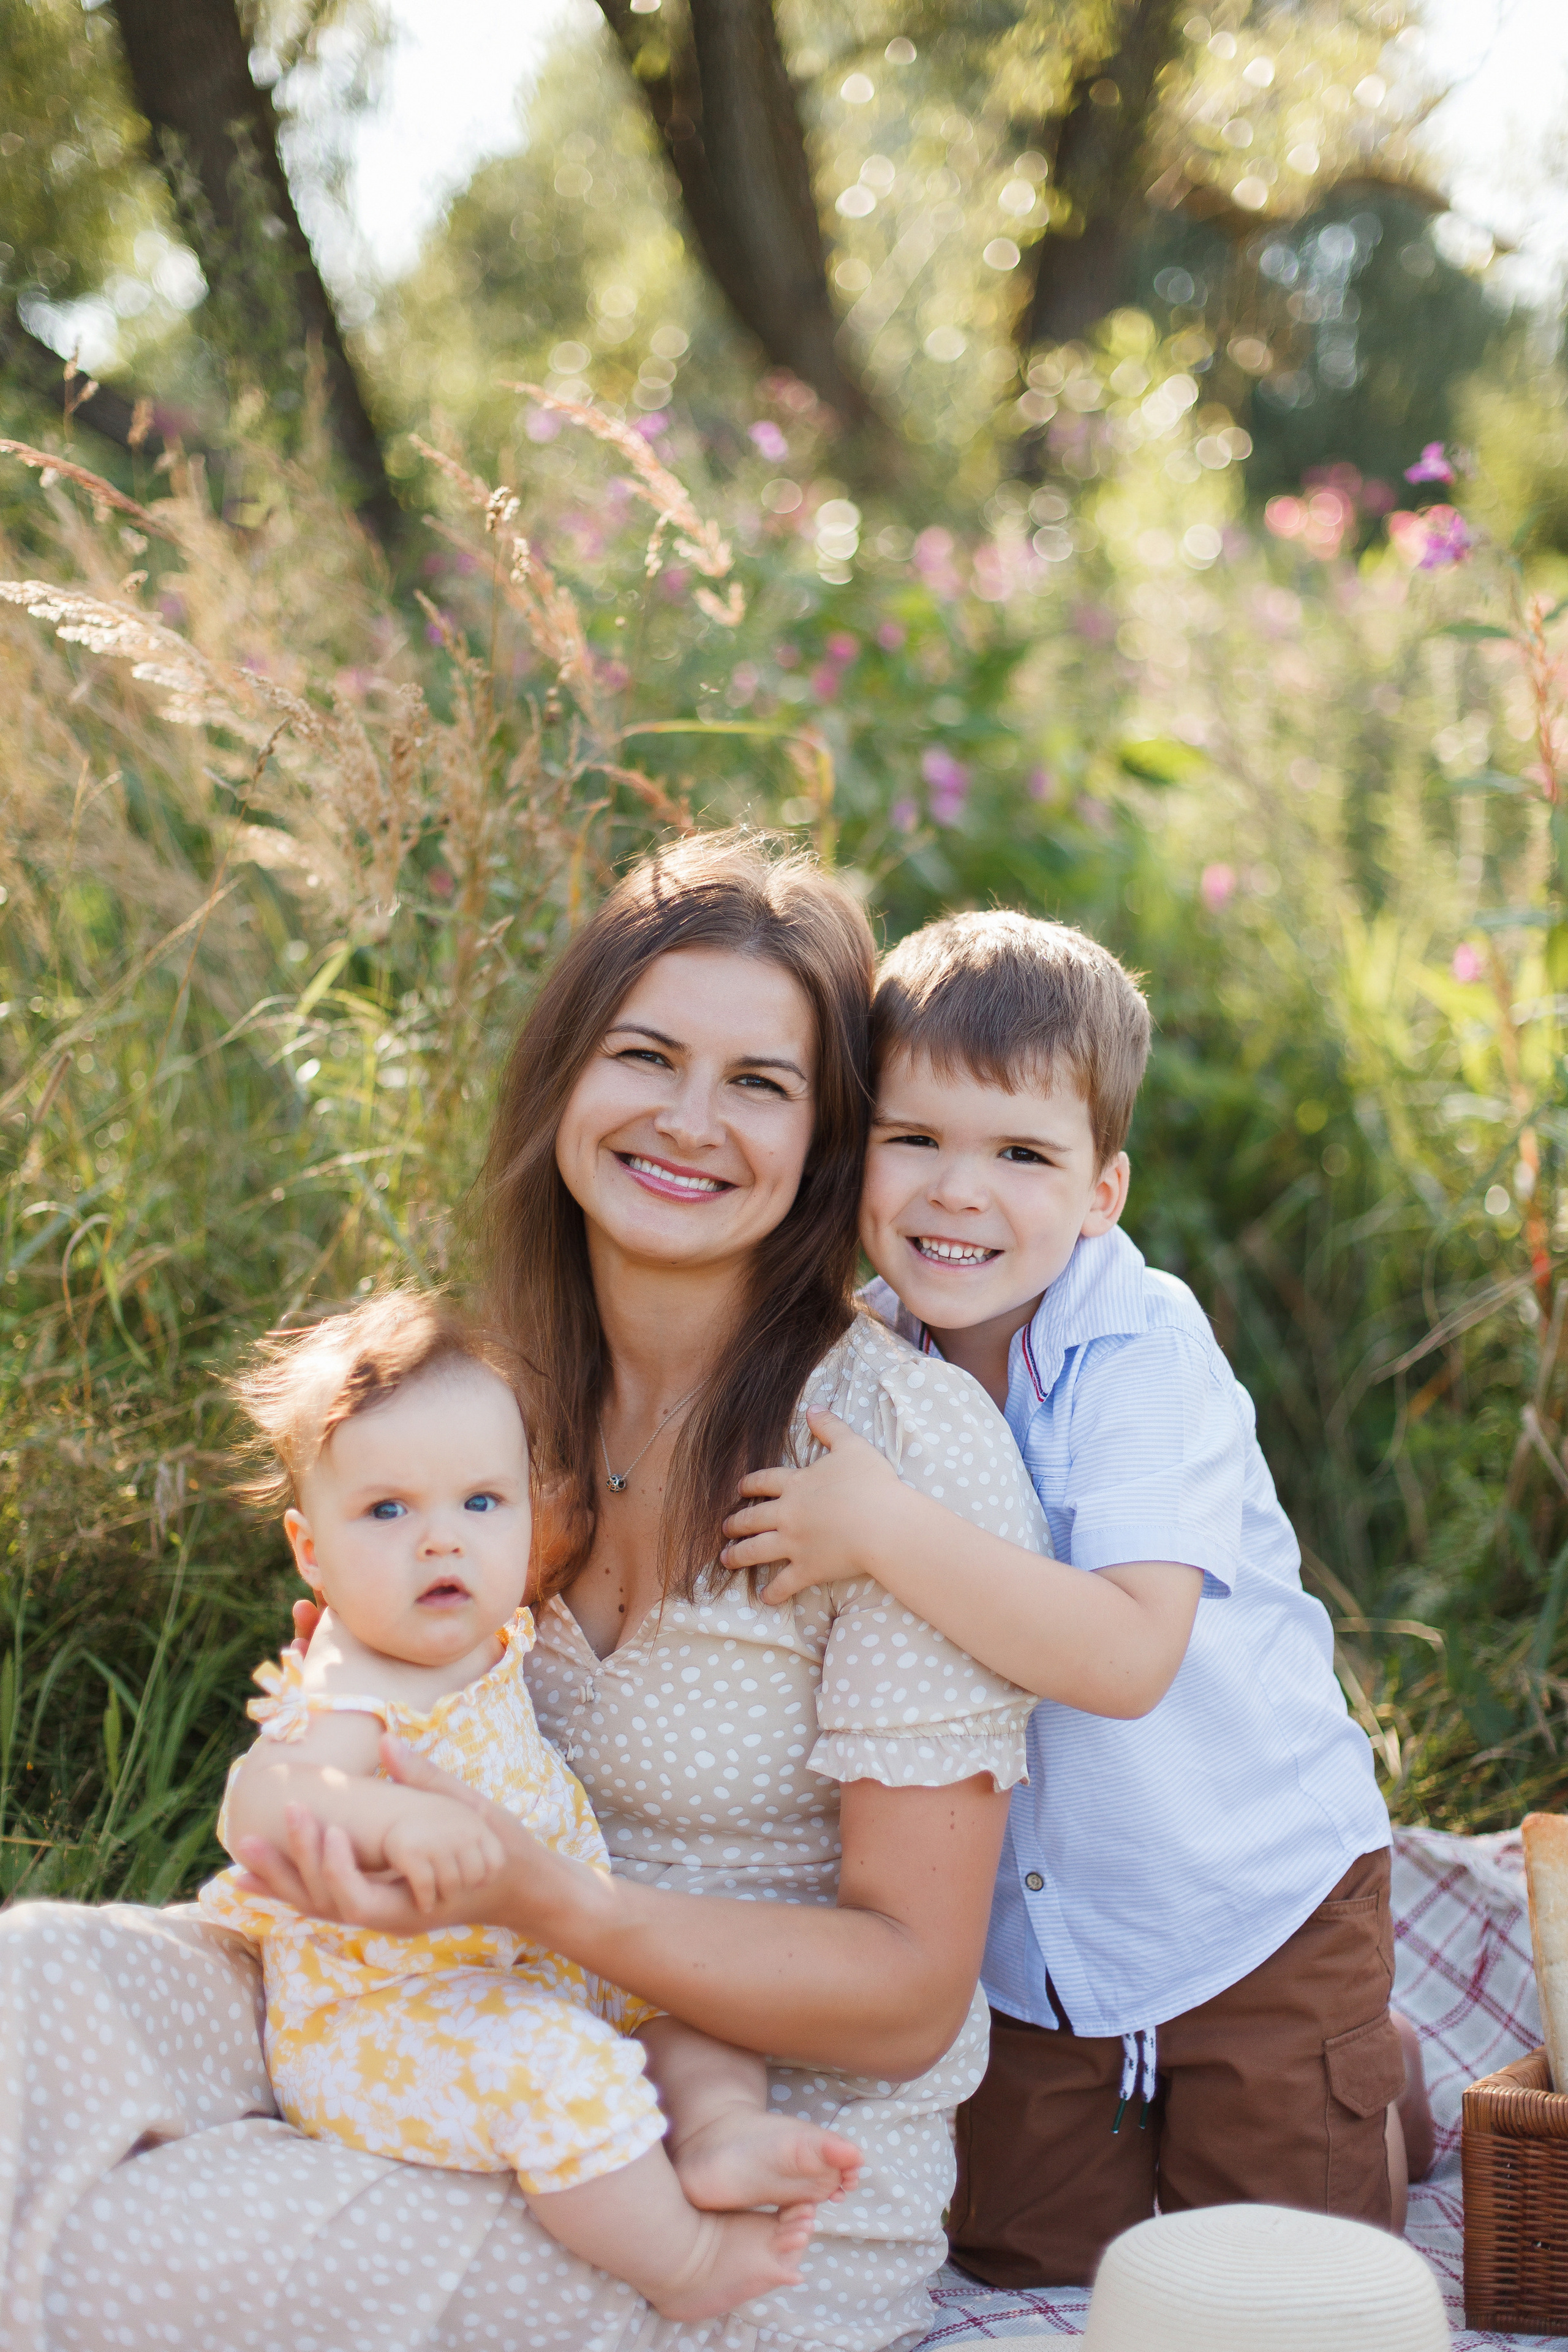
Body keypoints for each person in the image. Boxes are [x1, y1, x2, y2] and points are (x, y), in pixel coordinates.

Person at [0, 833, 1049, 2352]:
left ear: (825, 1140)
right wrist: (330, 1775)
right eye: (645, 1055)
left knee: (121, 2254)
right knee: (25, 1994)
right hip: (412, 2019)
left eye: (758, 1083)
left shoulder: (889, 1453)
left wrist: (549, 1897)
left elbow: (906, 1994)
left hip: (716, 2165)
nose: (687, 1121)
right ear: (565, 1074)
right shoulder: (486, 1404)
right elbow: (354, 1713)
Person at [719, 908, 1430, 2288]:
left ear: (1101, 1190)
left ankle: (1372, 2078)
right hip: (1032, 1939)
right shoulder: (866, 1354)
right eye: (914, 1139)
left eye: (1021, 1155)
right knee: (1013, 2251)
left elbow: (1121, 1658)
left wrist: (875, 1527)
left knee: (1277, 2277)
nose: (956, 1194)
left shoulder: (1136, 1350)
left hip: (1245, 1903)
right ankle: (1286, 2089)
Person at [202, 1289, 862, 2323]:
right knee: (563, 2074)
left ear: (528, 1512)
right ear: (311, 1550)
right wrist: (384, 1820)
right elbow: (263, 1797)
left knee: (693, 2019)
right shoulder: (350, 1678)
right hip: (391, 2022)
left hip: (538, 1970)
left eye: (480, 1503)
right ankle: (683, 2265)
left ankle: (721, 2131)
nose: (441, 1543)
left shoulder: (489, 1627)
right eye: (387, 1510)